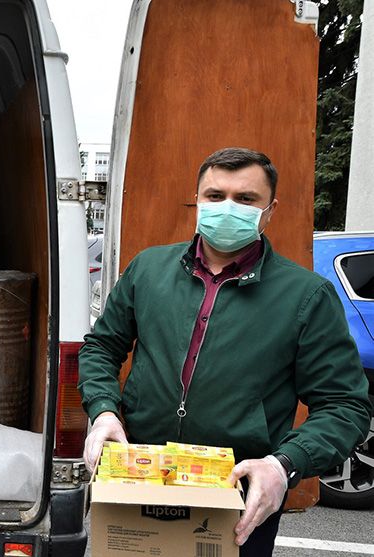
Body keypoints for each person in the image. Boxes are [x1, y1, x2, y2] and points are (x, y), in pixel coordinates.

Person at [78, 147, 371, 556]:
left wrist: (282, 465)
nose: (227, 208)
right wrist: (103, 411)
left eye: (246, 199)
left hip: (239, 497)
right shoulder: (148, 270)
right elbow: (102, 347)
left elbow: (345, 407)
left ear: (269, 210)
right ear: (197, 200)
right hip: (142, 479)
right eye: (215, 196)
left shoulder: (306, 296)